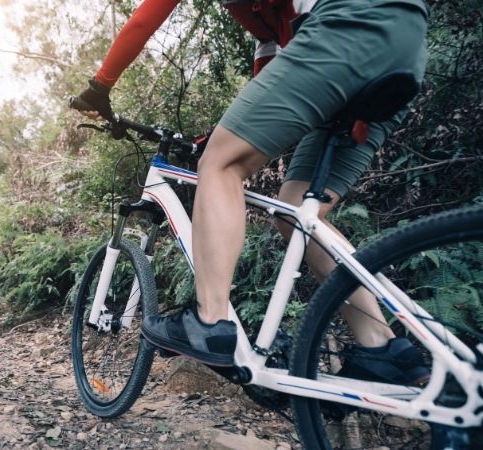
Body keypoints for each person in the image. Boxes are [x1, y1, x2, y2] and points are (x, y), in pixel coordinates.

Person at [73, 0, 430, 384]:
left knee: (220, 164)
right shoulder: (266, 14)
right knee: (295, 211)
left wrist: (100, 86)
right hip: (404, 44)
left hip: (349, 23)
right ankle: (380, 344)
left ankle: (209, 321)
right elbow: (272, 48)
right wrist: (242, 126)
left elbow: (147, 18)